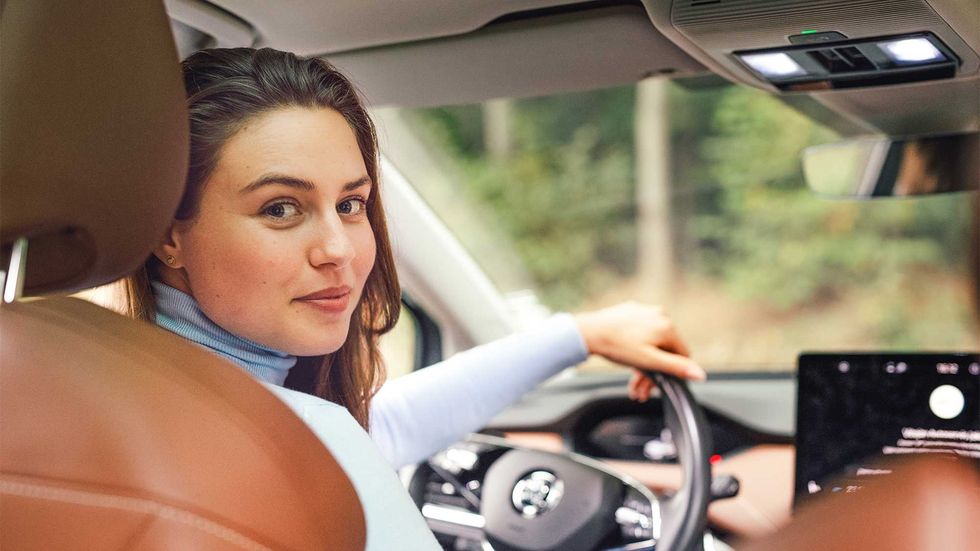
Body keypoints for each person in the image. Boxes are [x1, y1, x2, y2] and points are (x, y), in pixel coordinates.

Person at [116, 47, 704, 548]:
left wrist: (579, 337)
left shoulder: (120, 390)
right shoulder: (283, 443)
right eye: (280, 208)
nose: (337, 250)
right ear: (169, 232)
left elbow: (374, 431)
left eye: (350, 204)